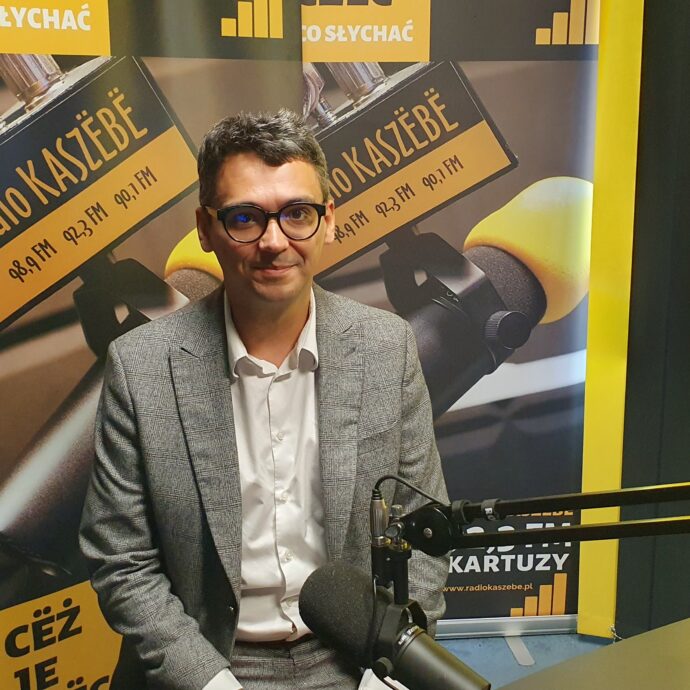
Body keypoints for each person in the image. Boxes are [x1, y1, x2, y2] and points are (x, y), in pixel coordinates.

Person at [79, 109, 449, 690]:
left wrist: (388, 669)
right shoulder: (141, 366)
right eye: (245, 218)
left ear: (329, 221)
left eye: (297, 214)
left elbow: (424, 532)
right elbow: (121, 560)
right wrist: (211, 682)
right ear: (206, 229)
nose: (275, 243)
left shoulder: (387, 347)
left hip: (354, 657)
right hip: (206, 659)